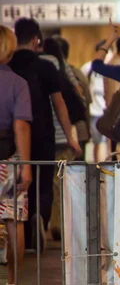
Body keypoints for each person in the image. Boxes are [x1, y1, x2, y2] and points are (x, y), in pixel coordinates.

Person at [9, 18, 82, 252]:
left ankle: (23, 231)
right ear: (36, 39)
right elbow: (59, 104)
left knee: (16, 183)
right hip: (43, 134)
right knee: (44, 184)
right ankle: (40, 217)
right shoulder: (46, 66)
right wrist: (70, 137)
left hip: (11, 137)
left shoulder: (6, 66)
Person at [0, 25, 32, 285]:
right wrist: (26, 165)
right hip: (8, 159)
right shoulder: (17, 83)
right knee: (14, 221)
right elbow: (21, 125)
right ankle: (12, 284)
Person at [81, 40, 109, 162]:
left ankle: (108, 161)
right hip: (93, 109)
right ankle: (97, 164)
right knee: (97, 140)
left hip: (107, 108)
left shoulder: (111, 67)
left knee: (108, 138)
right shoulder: (88, 67)